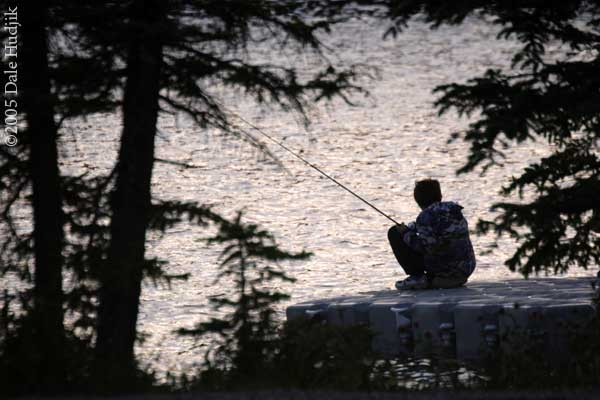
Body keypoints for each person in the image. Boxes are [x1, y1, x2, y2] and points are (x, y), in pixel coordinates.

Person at [387, 179, 476, 290]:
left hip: (446, 271)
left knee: (394, 232)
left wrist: (405, 233)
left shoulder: (425, 217)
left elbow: (424, 247)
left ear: (417, 200)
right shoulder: (453, 210)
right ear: (440, 195)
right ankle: (438, 279)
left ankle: (418, 277)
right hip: (466, 268)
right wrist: (414, 227)